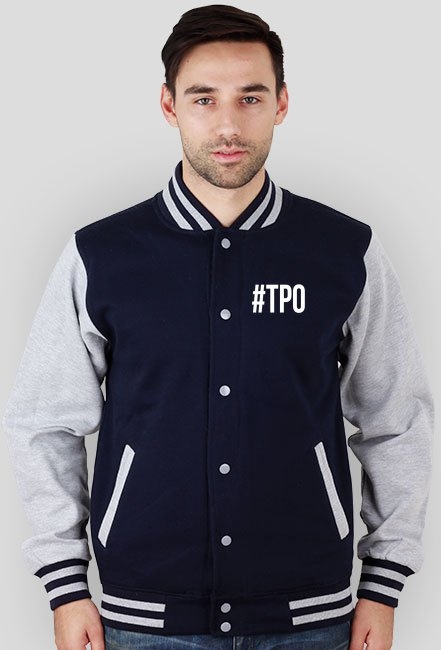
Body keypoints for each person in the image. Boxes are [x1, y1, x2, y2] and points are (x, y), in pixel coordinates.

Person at [2, 4, 434, 650]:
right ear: (169, 105)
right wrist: (65, 585)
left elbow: (396, 420)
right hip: (144, 617)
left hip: (309, 616)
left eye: (250, 98)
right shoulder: (102, 256)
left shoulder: (344, 252)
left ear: (281, 103)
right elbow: (44, 424)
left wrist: (383, 582)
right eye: (203, 99)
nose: (228, 125)